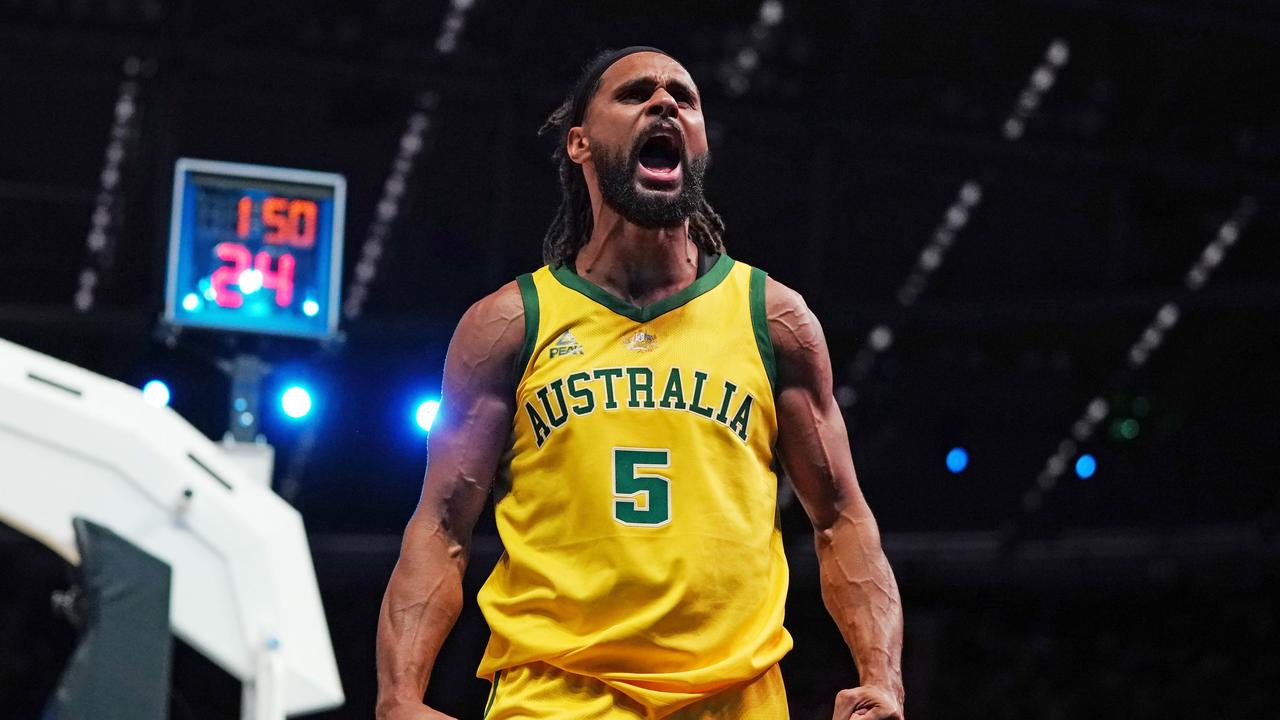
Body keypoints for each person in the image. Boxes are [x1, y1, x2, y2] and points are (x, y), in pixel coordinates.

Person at [375, 47, 904, 720]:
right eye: (635, 94)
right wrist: (399, 698)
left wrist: (883, 678)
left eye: (685, 97)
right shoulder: (510, 324)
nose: (665, 104)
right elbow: (443, 526)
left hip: (733, 701)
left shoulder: (773, 319)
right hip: (554, 699)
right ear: (580, 143)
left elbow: (840, 519)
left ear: (702, 143)